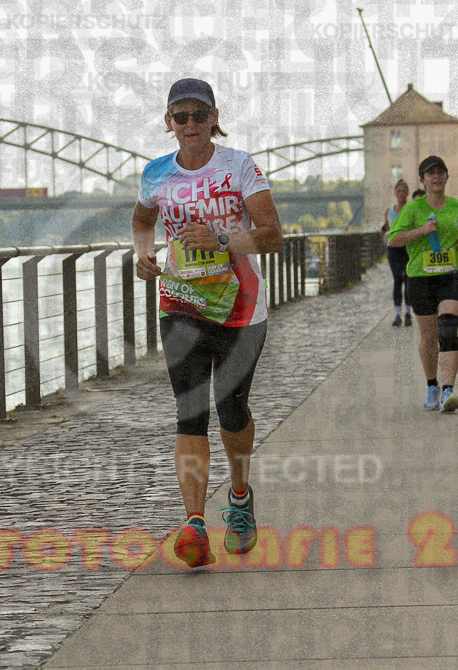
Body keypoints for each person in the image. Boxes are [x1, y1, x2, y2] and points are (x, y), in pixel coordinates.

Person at [132, 78, 282, 568]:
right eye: (181, 116)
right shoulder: (155, 173)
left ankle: (239, 497)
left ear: (215, 117)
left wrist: (220, 239)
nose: (191, 125)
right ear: (169, 122)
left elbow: (272, 237)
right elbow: (142, 221)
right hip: (180, 302)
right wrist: (143, 255)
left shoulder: (239, 165)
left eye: (200, 115)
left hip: (240, 306)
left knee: (231, 410)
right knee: (189, 411)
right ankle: (195, 524)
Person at [388, 155, 458, 413]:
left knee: (448, 329)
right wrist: (421, 231)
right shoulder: (412, 210)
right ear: (423, 180)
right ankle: (432, 385)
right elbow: (394, 240)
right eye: (431, 173)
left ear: (447, 177)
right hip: (420, 278)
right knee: (429, 337)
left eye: (441, 172)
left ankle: (448, 391)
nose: (436, 177)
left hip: (452, 275)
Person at [382, 179, 413, 327]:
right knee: (397, 280)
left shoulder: (411, 209)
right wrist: (383, 231)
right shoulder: (389, 210)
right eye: (398, 191)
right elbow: (386, 226)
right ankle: (396, 314)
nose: (401, 194)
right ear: (395, 193)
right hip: (394, 248)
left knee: (408, 280)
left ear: (407, 193)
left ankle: (408, 313)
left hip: (408, 247)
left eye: (403, 191)